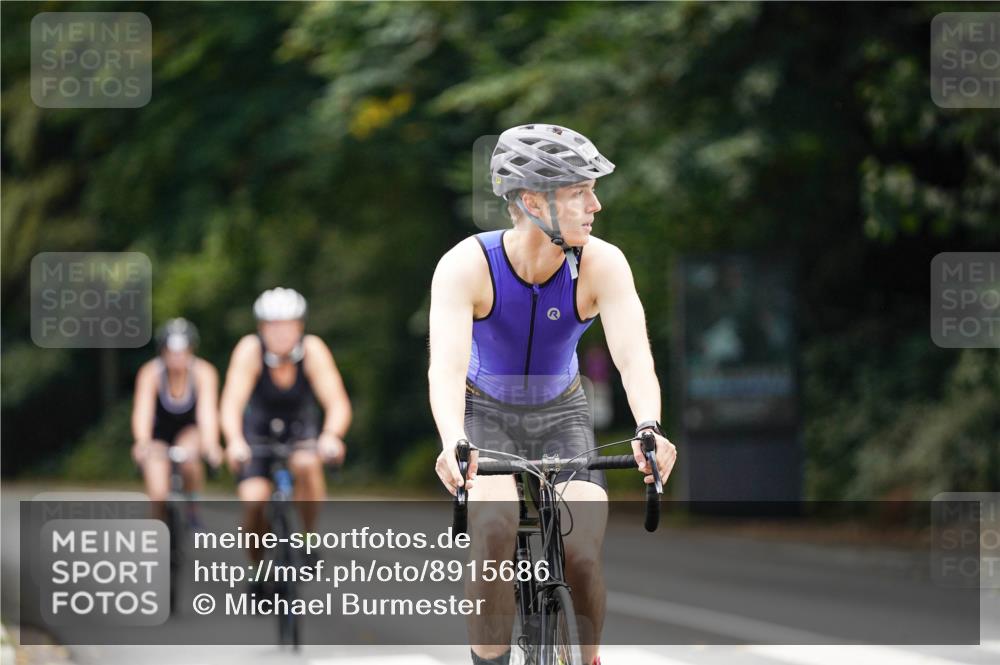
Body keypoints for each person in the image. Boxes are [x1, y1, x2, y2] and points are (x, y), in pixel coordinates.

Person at [428, 124, 677, 665]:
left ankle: (586, 658)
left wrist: (650, 428)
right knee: (493, 531)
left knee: (581, 551)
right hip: (485, 414)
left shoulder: (601, 263)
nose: (596, 204)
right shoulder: (467, 266)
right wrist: (453, 441)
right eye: (579, 192)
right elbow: (445, 367)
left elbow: (633, 357)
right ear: (534, 200)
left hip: (562, 414)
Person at [220, 287, 351, 570]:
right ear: (261, 328)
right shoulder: (249, 350)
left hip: (299, 428)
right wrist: (233, 440)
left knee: (307, 464)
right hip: (256, 432)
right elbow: (231, 403)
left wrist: (332, 436)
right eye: (272, 325)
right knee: (254, 501)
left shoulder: (313, 350)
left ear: (300, 326)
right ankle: (257, 568)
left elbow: (337, 402)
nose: (280, 333)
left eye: (287, 325)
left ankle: (307, 537)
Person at [131, 318, 222, 520]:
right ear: (163, 351)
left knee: (189, 457)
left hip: (189, 430)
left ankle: (192, 506)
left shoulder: (203, 373)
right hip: (159, 434)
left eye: (182, 351)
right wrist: (142, 442)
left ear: (191, 350)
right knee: (158, 493)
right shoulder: (151, 373)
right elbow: (143, 411)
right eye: (172, 352)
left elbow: (207, 412)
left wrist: (211, 444)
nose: (177, 357)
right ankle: (159, 530)